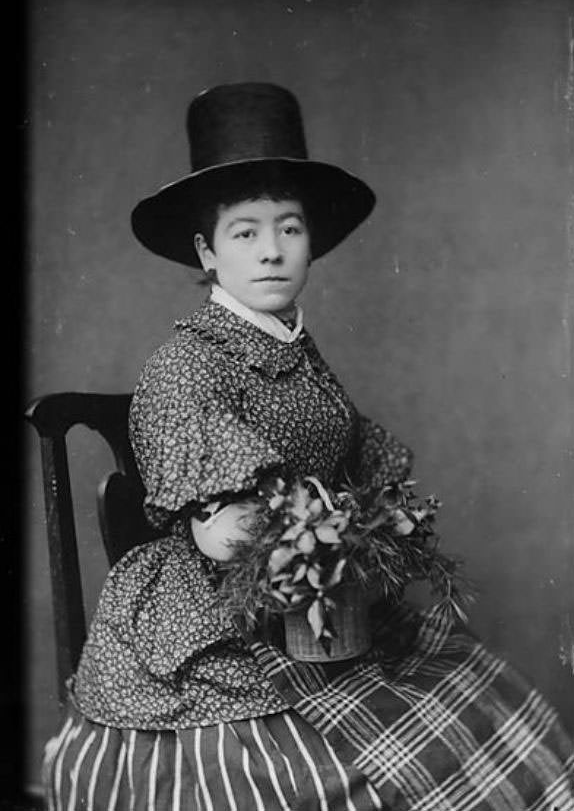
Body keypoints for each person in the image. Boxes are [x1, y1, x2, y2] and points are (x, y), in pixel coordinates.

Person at [42, 83, 574, 811]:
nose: (271, 252)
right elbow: (228, 539)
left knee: (492, 708)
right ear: (207, 250)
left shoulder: (296, 349)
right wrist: (329, 541)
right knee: (323, 780)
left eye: (289, 229)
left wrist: (368, 529)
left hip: (314, 603)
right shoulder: (185, 365)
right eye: (245, 232)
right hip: (217, 623)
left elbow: (355, 464)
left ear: (310, 241)